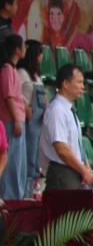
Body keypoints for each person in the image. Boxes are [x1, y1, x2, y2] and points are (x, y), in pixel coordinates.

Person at [38, 64, 93, 190]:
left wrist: (85, 167)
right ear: (66, 84)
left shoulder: (68, 110)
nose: (82, 87)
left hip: (72, 171)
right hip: (62, 173)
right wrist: (83, 170)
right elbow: (62, 149)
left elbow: (74, 145)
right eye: (79, 82)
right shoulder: (57, 110)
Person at [0, 34, 26, 200]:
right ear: (17, 49)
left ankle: (17, 197)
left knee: (19, 163)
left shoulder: (13, 70)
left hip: (17, 120)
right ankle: (10, 199)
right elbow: (8, 97)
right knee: (12, 164)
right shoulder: (7, 70)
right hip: (11, 121)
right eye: (23, 46)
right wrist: (16, 119)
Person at [17, 40, 44, 198]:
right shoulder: (22, 73)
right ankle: (26, 192)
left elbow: (43, 97)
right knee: (29, 156)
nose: (42, 58)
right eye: (40, 54)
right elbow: (16, 94)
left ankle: (35, 190)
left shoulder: (36, 75)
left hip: (39, 120)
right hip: (29, 120)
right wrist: (24, 106)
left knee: (36, 157)